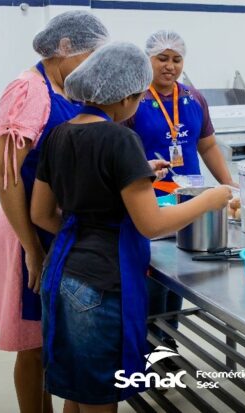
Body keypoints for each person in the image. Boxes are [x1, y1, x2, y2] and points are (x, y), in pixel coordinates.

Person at [31, 42, 233, 411]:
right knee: (102, 397)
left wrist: (137, 176)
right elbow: (151, 224)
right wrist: (211, 197)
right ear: (125, 97)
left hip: (61, 273)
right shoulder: (121, 138)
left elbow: (42, 214)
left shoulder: (59, 133)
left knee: (79, 388)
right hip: (101, 281)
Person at [0, 11, 108, 413]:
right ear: (66, 47)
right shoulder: (29, 89)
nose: (93, 65)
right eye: (90, 55)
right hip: (23, 229)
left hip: (54, 228)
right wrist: (31, 248)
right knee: (34, 344)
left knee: (61, 337)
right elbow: (6, 174)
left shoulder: (66, 91)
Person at [125, 30, 235, 353]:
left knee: (181, 277)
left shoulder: (193, 97)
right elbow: (119, 153)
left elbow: (208, 145)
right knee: (154, 278)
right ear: (148, 60)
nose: (169, 66)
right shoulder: (133, 100)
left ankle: (166, 341)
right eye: (162, 59)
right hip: (150, 203)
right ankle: (147, 346)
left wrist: (229, 184)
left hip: (189, 202)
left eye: (176, 59)